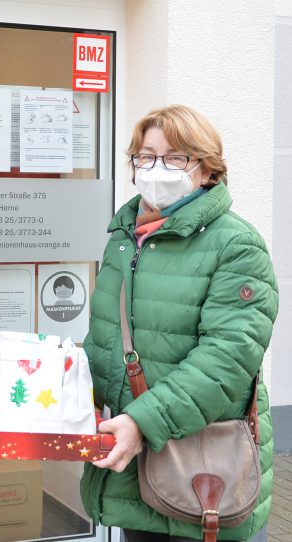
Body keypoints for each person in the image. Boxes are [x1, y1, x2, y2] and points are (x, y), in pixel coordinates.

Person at [80, 105, 278, 542]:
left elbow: (227, 360)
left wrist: (141, 423)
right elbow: (107, 340)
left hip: (207, 468)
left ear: (207, 169)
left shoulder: (236, 245)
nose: (156, 169)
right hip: (137, 465)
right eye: (146, 157)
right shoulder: (126, 239)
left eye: (174, 158)